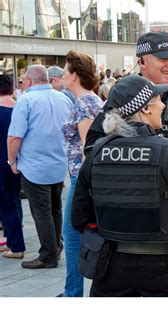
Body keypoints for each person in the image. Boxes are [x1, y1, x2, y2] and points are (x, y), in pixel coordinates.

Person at [71, 75, 168, 297]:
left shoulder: (96, 153)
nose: (164, 105)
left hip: (110, 269)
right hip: (165, 269)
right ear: (146, 108)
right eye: (158, 100)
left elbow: (79, 218)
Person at [85, 31, 168, 189]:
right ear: (142, 62)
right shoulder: (123, 97)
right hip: (132, 195)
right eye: (164, 58)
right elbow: (92, 147)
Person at [7, 65, 72, 269]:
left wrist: (12, 161)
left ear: (29, 80)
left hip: (35, 165)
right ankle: (55, 247)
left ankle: (48, 255)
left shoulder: (26, 100)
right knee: (55, 208)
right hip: (58, 162)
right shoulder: (63, 98)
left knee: (41, 211)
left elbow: (15, 136)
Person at [58, 50, 104, 297]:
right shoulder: (91, 100)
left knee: (71, 235)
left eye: (65, 72)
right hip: (83, 177)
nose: (63, 76)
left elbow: (89, 147)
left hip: (81, 178)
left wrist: (85, 185)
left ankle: (72, 293)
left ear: (75, 75)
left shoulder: (85, 102)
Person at [0, 74, 25, 259]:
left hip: (2, 163)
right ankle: (11, 239)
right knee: (14, 202)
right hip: (16, 162)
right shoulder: (19, 108)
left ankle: (16, 247)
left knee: (7, 206)